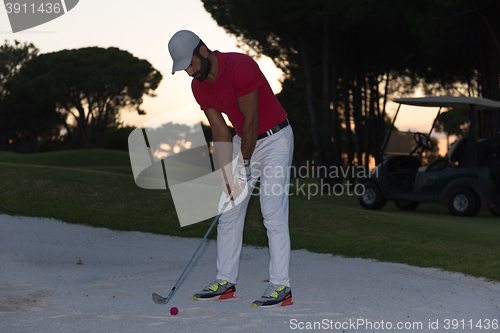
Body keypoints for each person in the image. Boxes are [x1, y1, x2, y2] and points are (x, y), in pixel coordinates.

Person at [168, 30, 294, 307]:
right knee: (228, 209)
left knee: (271, 212)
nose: (189, 72)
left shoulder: (241, 67)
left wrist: (245, 164)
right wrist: (227, 172)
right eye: (184, 69)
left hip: (275, 140)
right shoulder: (199, 86)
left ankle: (281, 287)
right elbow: (219, 130)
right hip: (241, 139)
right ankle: (225, 281)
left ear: (202, 51)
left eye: (189, 64)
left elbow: (252, 119)